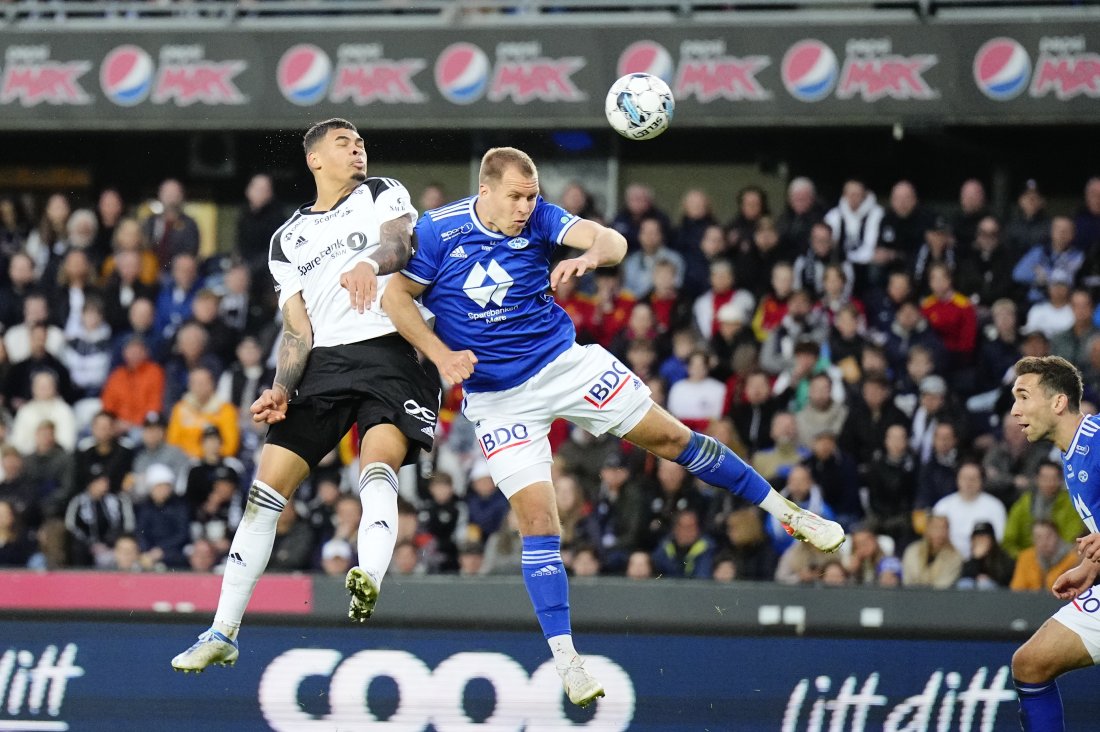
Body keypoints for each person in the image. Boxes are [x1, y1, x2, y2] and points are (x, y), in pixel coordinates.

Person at [381, 146, 844, 708]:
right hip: (499, 400)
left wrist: (589, 257)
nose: (527, 206)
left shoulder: (545, 219)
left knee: (673, 439)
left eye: (532, 195)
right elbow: (396, 297)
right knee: (538, 520)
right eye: (517, 197)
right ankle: (567, 660)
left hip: (563, 365)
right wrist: (438, 352)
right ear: (486, 191)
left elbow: (613, 241)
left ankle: (790, 514)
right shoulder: (438, 231)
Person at [170, 119, 440, 673]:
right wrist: (279, 387)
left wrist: (368, 264)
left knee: (377, 463)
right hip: (324, 366)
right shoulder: (287, 238)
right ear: (315, 159)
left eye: (361, 141)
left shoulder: (381, 191)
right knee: (263, 493)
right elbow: (298, 331)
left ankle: (368, 572)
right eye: (345, 142)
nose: (358, 148)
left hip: (391, 349)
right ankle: (223, 630)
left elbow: (399, 243)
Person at [1009, 354, 1100, 730]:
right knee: (1030, 664)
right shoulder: (1070, 452)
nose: (1015, 411)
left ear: (1058, 402)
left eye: (1024, 396)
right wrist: (1091, 566)